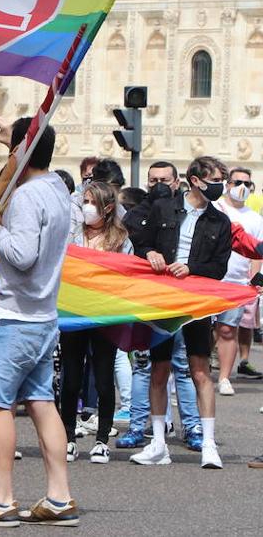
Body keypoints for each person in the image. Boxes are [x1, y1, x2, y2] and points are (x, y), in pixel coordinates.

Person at [0, 118, 79, 527]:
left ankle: (1, 498)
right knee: (42, 402)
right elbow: (27, 160)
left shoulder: (26, 197)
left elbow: (21, 256)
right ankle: (59, 496)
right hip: (43, 317)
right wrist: (17, 140)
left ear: (24, 150)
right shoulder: (59, 189)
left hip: (15, 317)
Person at [130, 157, 232, 470]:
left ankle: (209, 445)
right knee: (159, 369)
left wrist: (191, 268)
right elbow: (140, 240)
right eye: (213, 179)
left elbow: (219, 267)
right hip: (162, 298)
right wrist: (149, 252)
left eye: (220, 181)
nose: (218, 186)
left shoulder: (220, 221)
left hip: (197, 300)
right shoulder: (163, 209)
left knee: (200, 370)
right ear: (194, 179)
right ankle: (158, 443)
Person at [117, 161, 200, 450]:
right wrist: (147, 251)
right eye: (153, 180)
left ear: (177, 182)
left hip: (180, 298)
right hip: (146, 299)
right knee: (143, 366)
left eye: (165, 179)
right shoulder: (135, 215)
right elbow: (128, 250)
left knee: (183, 366)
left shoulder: (186, 211)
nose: (159, 185)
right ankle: (138, 427)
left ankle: (192, 428)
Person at [60, 182, 129, 466]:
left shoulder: (121, 239)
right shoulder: (73, 234)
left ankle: (102, 440)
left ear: (108, 208)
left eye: (92, 202)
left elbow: (126, 274)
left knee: (102, 378)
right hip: (74, 314)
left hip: (104, 315)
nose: (85, 206)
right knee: (71, 378)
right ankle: (68, 438)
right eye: (84, 201)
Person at [212, 167, 263, 392]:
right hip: (210, 279)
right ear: (227, 184)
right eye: (237, 182)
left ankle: (224, 378)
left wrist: (253, 281)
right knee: (202, 328)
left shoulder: (255, 219)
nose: (241, 187)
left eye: (246, 183)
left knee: (227, 329)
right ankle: (196, 371)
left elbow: (256, 252)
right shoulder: (216, 208)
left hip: (236, 283)